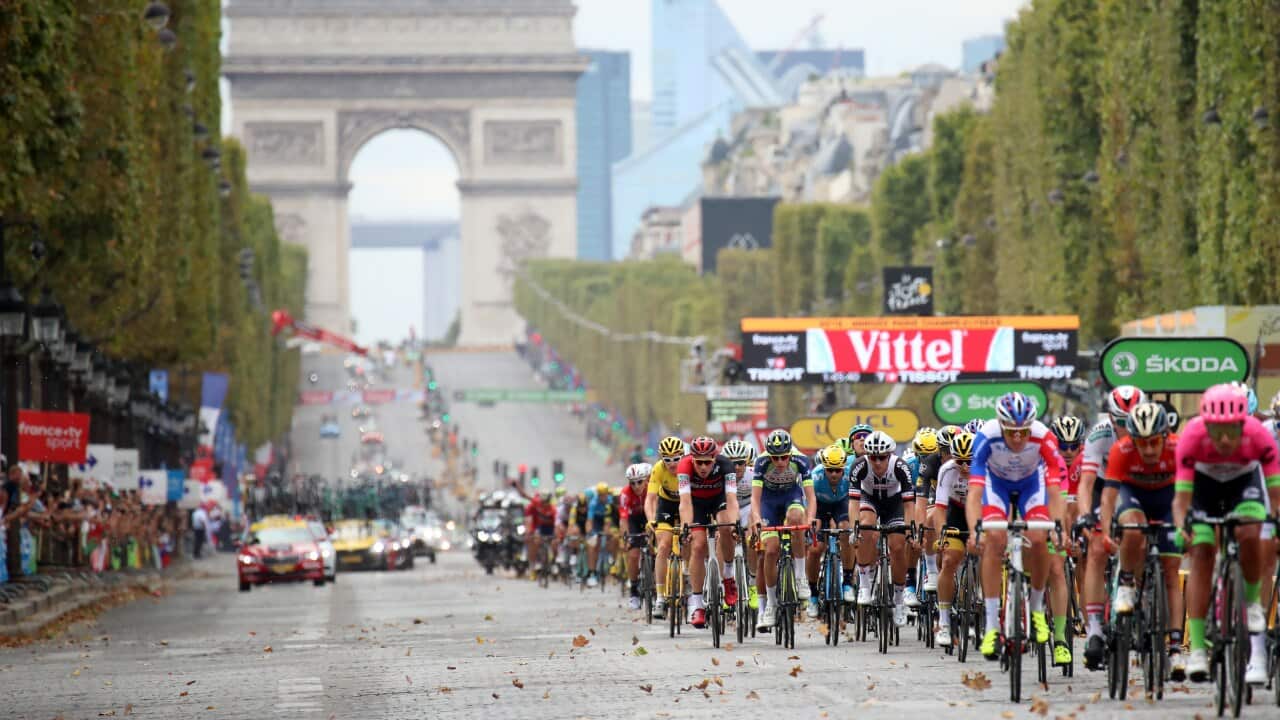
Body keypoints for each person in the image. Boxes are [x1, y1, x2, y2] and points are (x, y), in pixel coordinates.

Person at [1173, 383, 1280, 685]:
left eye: (1231, 430)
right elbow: (1181, 501)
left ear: (1243, 424)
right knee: (1203, 551)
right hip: (1203, 490)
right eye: (1215, 430)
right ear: (1204, 423)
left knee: (1250, 532)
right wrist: (1183, 527)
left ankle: (1253, 618)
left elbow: (1274, 494)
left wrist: (1272, 525)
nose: (1222, 439)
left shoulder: (1258, 435)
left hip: (1243, 486)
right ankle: (1196, 649)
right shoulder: (1192, 436)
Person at [967, 391, 1067, 660]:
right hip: (995, 485)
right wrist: (976, 529)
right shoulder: (986, 437)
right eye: (1012, 432)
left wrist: (1058, 526)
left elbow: (1056, 490)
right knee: (994, 540)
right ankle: (991, 627)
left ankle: (1036, 610)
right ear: (1001, 425)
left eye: (1023, 431)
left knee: (1038, 538)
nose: (1018, 438)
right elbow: (974, 494)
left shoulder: (1043, 436)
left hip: (1031, 484)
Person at [1099, 402, 1186, 680]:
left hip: (1168, 499)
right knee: (1133, 530)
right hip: (1132, 495)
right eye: (1141, 443)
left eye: (1153, 442)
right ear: (1131, 440)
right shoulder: (1121, 450)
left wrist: (1189, 524)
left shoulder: (1178, 447)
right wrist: (1104, 532)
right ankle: (1126, 582)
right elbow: (1109, 496)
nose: (1148, 450)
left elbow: (1191, 491)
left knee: (1171, 574)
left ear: (1165, 436)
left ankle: (1175, 647)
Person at [1078, 384, 1146, 670]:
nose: (1126, 430)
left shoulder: (1151, 430)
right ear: (1109, 417)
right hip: (1105, 486)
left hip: (1139, 485)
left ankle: (1140, 598)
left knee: (1142, 539)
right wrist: (1085, 516)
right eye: (1120, 423)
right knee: (1095, 549)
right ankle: (1094, 628)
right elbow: (1086, 483)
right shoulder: (1100, 434)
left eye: (1131, 423)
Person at [849, 431, 914, 627]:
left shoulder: (901, 467)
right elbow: (853, 502)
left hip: (895, 504)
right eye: (873, 457)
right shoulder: (859, 465)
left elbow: (910, 504)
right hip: (870, 499)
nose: (877, 462)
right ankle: (865, 584)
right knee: (865, 527)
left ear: (890, 455)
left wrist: (910, 531)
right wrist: (855, 530)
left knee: (897, 546)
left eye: (882, 457)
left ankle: (899, 600)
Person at [751, 429, 814, 631]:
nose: (779, 461)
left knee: (797, 519)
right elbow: (755, 498)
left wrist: (810, 519)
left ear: (790, 453)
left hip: (790, 497)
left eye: (784, 457)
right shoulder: (761, 463)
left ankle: (800, 576)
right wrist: (757, 519)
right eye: (775, 457)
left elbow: (810, 497)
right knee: (770, 550)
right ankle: (770, 604)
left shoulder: (801, 460)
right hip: (768, 502)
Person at [676, 436, 739, 629]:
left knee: (726, 525)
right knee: (698, 545)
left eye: (707, 462)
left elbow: (731, 498)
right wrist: (686, 526)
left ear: (715, 459)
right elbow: (685, 502)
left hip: (718, 500)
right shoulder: (684, 467)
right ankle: (697, 604)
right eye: (699, 462)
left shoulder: (726, 465)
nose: (703, 467)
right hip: (696, 504)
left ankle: (728, 576)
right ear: (692, 459)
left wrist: (735, 522)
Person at [932, 430, 975, 647]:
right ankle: (945, 622)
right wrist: (942, 536)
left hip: (981, 511)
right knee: (949, 560)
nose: (966, 467)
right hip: (956, 513)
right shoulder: (947, 470)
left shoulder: (987, 469)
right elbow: (940, 509)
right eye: (960, 461)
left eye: (970, 461)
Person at [805, 444, 856, 618]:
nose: (834, 474)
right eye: (830, 470)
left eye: (838, 470)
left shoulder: (851, 475)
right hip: (819, 506)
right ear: (824, 468)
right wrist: (811, 523)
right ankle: (812, 594)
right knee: (814, 548)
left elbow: (857, 501)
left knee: (846, 530)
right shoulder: (815, 477)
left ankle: (847, 582)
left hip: (842, 503)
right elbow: (809, 504)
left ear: (844, 468)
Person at [645, 436, 685, 620]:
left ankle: (691, 584)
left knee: (692, 538)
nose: (671, 463)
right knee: (663, 546)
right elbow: (650, 499)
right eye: (666, 459)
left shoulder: (688, 468)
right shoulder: (658, 469)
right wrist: (651, 520)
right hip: (666, 505)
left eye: (676, 459)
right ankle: (660, 597)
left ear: (682, 456)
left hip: (687, 503)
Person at [721, 439, 759, 611]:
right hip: (728, 508)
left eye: (740, 463)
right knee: (723, 536)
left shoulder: (753, 474)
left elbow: (759, 502)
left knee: (752, 536)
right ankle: (724, 586)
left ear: (747, 462)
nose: (736, 467)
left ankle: (752, 583)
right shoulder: (720, 477)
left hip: (747, 508)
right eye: (731, 463)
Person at [620, 463, 651, 610]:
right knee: (633, 554)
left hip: (648, 517)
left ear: (646, 480)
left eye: (640, 481)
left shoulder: (652, 489)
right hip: (633, 520)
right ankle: (633, 591)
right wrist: (625, 538)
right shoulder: (625, 493)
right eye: (632, 482)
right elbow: (624, 518)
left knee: (656, 548)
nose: (636, 486)